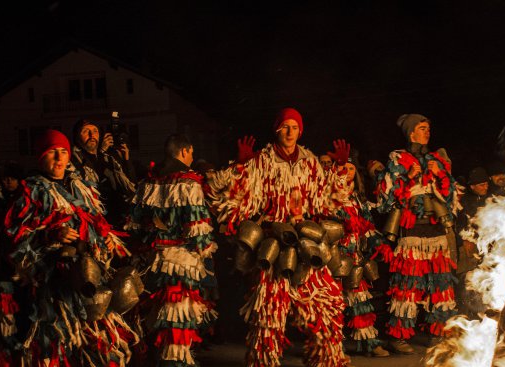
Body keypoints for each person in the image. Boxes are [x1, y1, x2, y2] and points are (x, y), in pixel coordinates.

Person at [208, 107, 352, 367]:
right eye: (285, 126)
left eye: (294, 127)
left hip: (307, 246)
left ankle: (325, 361)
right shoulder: (262, 161)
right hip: (274, 247)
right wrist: (241, 166)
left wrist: (340, 170)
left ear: (300, 131)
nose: (289, 132)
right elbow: (233, 200)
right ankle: (265, 362)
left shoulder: (310, 161)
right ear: (276, 129)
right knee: (268, 318)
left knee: (327, 308)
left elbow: (330, 201)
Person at [0, 129, 136, 365]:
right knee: (58, 348)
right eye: (52, 153)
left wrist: (107, 239)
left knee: (96, 347)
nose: (60, 159)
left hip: (89, 284)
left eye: (63, 152)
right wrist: (50, 237)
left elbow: (95, 223)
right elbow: (14, 245)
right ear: (40, 157)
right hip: (54, 289)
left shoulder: (80, 186)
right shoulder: (31, 192)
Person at [127, 134, 218, 367]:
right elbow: (197, 229)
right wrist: (206, 251)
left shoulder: (149, 183)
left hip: (153, 264)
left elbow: (135, 225)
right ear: (185, 151)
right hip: (181, 264)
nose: (193, 157)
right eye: (192, 152)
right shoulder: (189, 183)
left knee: (159, 324)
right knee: (178, 327)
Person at [374, 114, 460, 354]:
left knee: (440, 285)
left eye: (428, 129)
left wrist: (440, 174)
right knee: (407, 285)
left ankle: (438, 332)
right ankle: (397, 335)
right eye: (422, 129)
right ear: (411, 133)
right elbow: (386, 200)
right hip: (411, 232)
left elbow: (451, 196)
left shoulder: (437, 159)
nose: (427, 132)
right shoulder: (398, 159)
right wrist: (409, 178)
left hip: (436, 232)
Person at [332, 158, 390, 357]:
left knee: (360, 301)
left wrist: (379, 245)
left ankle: (369, 342)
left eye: (351, 169)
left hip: (356, 257)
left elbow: (368, 228)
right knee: (335, 304)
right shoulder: (330, 197)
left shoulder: (358, 200)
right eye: (343, 168)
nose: (347, 172)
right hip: (335, 258)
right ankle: (333, 348)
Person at [71, 118, 136, 225]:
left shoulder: (109, 159)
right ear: (77, 137)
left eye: (95, 131)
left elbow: (130, 186)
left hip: (115, 220)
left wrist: (126, 160)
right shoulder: (72, 160)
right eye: (85, 131)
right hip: (91, 221)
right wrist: (101, 152)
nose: (92, 135)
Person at [455, 167, 489, 318]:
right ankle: (464, 315)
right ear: (472, 186)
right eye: (481, 184)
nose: (485, 186)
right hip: (468, 248)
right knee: (465, 280)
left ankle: (477, 315)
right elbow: (458, 225)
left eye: (486, 183)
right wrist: (464, 240)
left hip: (483, 247)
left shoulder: (489, 200)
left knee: (479, 282)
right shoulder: (465, 202)